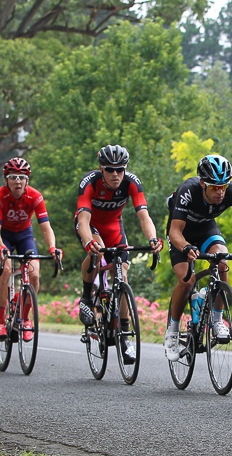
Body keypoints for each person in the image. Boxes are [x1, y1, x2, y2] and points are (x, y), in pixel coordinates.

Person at [163, 154, 232, 361]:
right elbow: (175, 232)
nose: (220, 192)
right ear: (202, 183)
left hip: (206, 228)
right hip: (182, 232)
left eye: (223, 187)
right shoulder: (188, 191)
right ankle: (172, 331)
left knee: (222, 261)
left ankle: (217, 320)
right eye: (214, 187)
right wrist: (186, 247)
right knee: (187, 280)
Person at [74, 144, 163, 363]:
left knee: (122, 273)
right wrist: (87, 243)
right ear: (101, 169)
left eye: (120, 170)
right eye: (110, 169)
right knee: (97, 251)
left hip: (114, 227)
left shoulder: (132, 183)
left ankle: (124, 335)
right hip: (90, 227)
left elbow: (144, 216)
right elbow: (83, 219)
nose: (116, 174)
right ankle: (87, 296)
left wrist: (152, 239)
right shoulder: (89, 183)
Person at [0, 157, 61, 341]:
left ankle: (25, 317)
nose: (17, 181)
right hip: (3, 235)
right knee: (5, 270)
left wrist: (52, 248)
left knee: (34, 274)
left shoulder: (35, 196)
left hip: (24, 235)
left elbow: (46, 227)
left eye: (22, 177)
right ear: (6, 180)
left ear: (27, 180)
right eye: (13, 177)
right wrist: (2, 249)